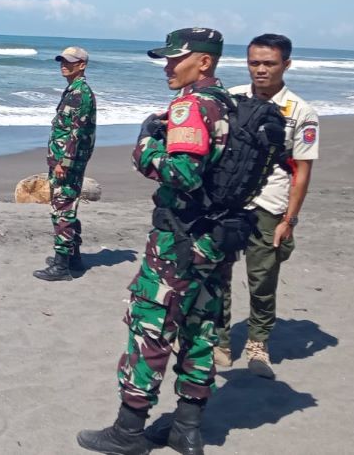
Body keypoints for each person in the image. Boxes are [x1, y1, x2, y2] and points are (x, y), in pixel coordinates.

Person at [78, 28, 230, 455]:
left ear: (204, 61)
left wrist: (145, 146)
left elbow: (183, 174)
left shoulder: (191, 106)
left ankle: (128, 430)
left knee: (150, 326)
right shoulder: (230, 105)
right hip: (216, 238)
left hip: (177, 240)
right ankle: (187, 429)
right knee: (201, 330)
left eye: (174, 59)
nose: (167, 66)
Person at [214, 33, 318, 379]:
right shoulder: (232, 99)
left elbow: (302, 170)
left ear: (286, 64)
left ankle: (258, 343)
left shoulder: (300, 111)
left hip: (270, 205)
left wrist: (290, 219)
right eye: (254, 63)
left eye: (269, 63)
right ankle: (221, 341)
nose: (260, 70)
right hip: (229, 201)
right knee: (219, 273)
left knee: (262, 279)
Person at [34, 46, 96, 281]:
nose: (64, 64)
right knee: (66, 207)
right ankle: (73, 257)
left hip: (67, 163)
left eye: (69, 61)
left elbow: (76, 132)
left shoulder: (81, 93)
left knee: (62, 209)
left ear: (82, 65)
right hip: (63, 160)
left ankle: (62, 266)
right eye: (62, 60)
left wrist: (64, 162)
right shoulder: (74, 90)